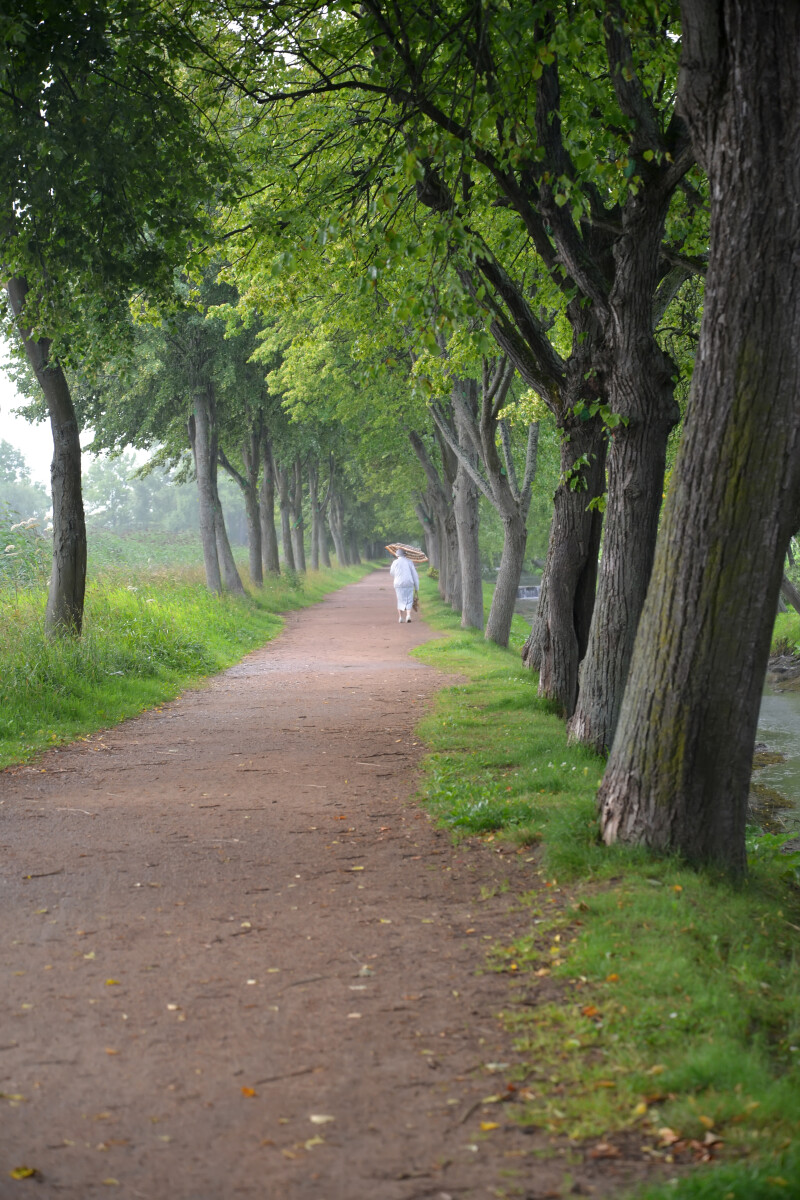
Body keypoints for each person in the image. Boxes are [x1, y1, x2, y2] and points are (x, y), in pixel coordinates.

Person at [389, 547, 419, 623]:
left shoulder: (395, 562)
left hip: (398, 583)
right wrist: (416, 587)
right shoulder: (409, 562)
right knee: (409, 599)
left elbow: (392, 573)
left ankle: (401, 617)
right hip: (409, 582)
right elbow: (414, 574)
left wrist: (397, 574)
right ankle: (408, 615)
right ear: (405, 554)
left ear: (397, 555)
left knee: (400, 599)